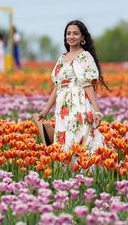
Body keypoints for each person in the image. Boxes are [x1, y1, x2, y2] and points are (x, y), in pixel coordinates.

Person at [38, 20, 110, 154]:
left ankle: (84, 170)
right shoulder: (62, 57)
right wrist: (46, 110)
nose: (71, 36)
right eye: (68, 33)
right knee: (64, 138)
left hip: (79, 103)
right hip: (62, 107)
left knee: (80, 136)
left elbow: (88, 85)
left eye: (75, 34)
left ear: (82, 37)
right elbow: (57, 86)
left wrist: (97, 111)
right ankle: (67, 171)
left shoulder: (84, 57)